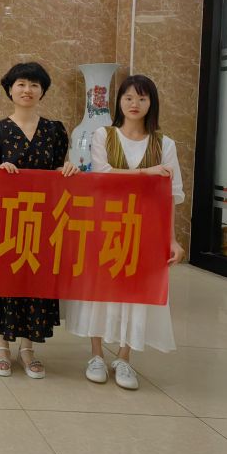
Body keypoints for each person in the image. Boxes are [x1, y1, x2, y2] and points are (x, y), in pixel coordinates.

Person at [65, 75, 185, 390]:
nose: (135, 104)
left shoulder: (165, 144)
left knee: (136, 292)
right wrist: (145, 173)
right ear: (119, 101)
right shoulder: (104, 135)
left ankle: (124, 357)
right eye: (129, 97)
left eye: (142, 98)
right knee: (100, 289)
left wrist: (172, 239)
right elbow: (102, 176)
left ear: (151, 103)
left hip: (145, 229)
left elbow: (171, 195)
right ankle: (95, 355)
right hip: (104, 224)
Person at [0, 62, 79, 378]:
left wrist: (67, 169)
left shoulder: (55, 130)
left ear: (42, 91)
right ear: (10, 90)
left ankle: (28, 348)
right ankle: (2, 347)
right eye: (21, 84)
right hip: (5, 219)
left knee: (35, 279)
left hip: (42, 220)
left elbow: (57, 170)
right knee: (4, 280)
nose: (27, 90)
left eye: (34, 85)